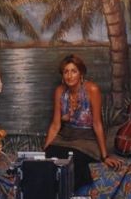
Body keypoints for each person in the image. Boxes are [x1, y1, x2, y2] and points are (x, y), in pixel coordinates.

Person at [44, 54, 121, 190]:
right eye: (66, 72)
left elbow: (97, 123)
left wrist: (105, 156)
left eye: (74, 71)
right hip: (65, 137)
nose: (69, 76)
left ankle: (68, 198)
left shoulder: (92, 90)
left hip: (86, 140)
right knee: (49, 161)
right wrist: (45, 150)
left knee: (74, 162)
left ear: (81, 74)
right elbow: (55, 125)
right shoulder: (60, 91)